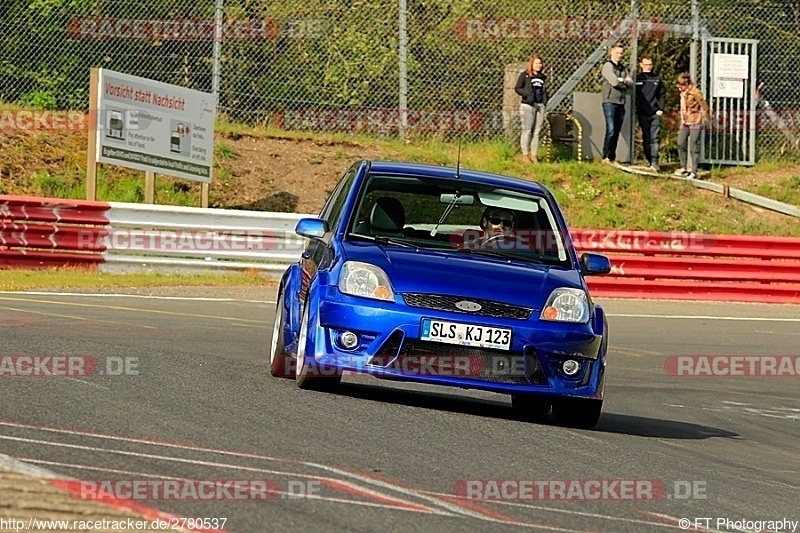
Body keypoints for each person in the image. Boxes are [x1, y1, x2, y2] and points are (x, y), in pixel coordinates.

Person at [601, 44, 634, 163]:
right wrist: (623, 82)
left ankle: (612, 157)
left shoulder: (622, 68)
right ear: (611, 52)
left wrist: (623, 80)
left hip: (621, 102)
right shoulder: (607, 66)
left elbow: (631, 84)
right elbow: (614, 82)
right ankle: (605, 156)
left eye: (621, 53)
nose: (619, 55)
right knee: (611, 129)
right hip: (610, 101)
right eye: (617, 53)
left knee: (616, 131)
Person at [673, 72, 709, 180]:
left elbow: (704, 106)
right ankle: (683, 168)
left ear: (687, 84)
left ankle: (694, 171)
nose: (680, 89)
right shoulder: (683, 93)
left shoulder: (695, 93)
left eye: (681, 87)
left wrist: (703, 117)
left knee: (693, 145)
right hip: (685, 121)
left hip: (695, 120)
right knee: (680, 142)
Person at [515, 54, 548, 164]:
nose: (539, 65)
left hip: (540, 105)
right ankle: (525, 155)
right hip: (528, 105)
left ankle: (534, 155)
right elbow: (518, 88)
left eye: (540, 63)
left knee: (537, 131)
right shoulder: (525, 75)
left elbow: (545, 91)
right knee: (527, 130)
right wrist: (527, 95)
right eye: (536, 63)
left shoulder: (543, 77)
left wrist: (544, 101)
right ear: (532, 64)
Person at [635, 56, 666, 172]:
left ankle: (655, 161)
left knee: (655, 138)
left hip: (654, 113)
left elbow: (662, 95)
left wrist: (661, 109)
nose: (648, 67)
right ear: (641, 65)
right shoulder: (637, 78)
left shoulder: (657, 79)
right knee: (646, 138)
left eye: (650, 65)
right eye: (646, 64)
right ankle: (649, 160)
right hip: (642, 113)